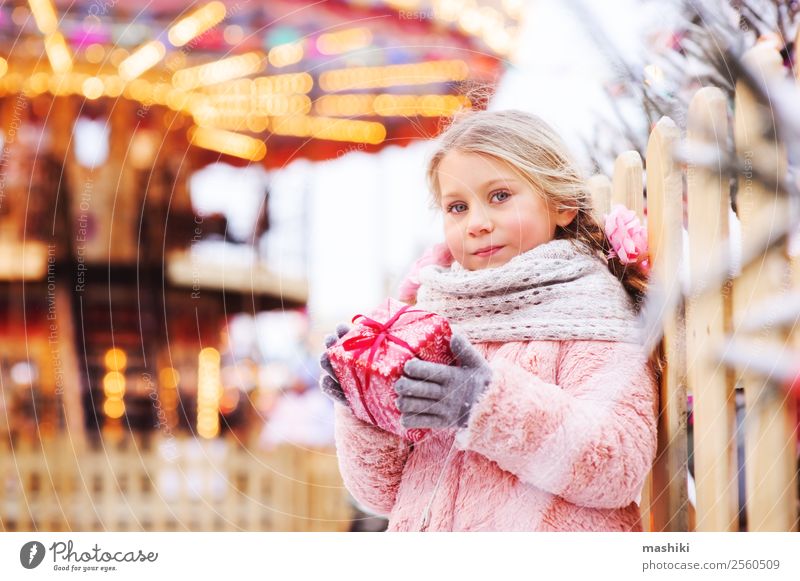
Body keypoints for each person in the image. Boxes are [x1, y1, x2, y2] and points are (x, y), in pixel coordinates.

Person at [319, 109, 658, 532]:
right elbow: (383, 494)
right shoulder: (432, 319)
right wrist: (364, 408)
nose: (477, 224)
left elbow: (618, 465)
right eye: (457, 207)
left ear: (562, 205)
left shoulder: (590, 311)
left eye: (499, 196)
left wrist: (485, 405)